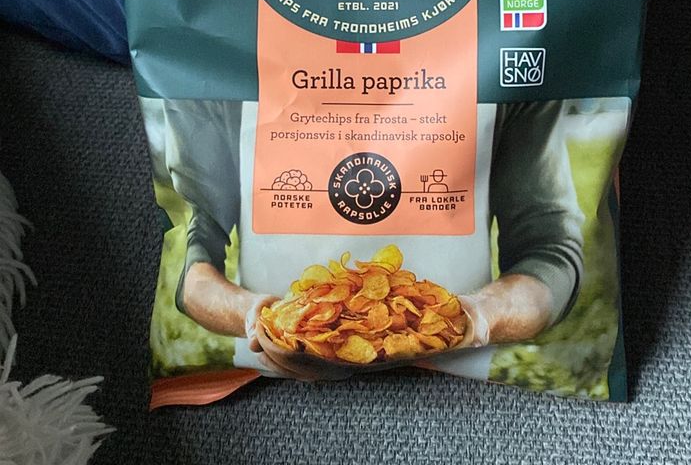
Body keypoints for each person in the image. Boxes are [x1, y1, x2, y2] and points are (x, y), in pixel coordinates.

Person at [143, 98, 583, 380]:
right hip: (268, 370)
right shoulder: (214, 48)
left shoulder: (504, 46)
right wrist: (255, 318)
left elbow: (548, 246)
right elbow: (193, 249)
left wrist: (478, 318)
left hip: (460, 376)